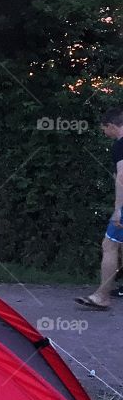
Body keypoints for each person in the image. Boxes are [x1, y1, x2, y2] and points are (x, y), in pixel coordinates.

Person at [76, 108, 123, 311]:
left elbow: (122, 176)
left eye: (104, 129)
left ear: (112, 125)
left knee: (109, 245)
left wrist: (118, 209)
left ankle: (102, 296)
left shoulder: (120, 146)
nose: (104, 133)